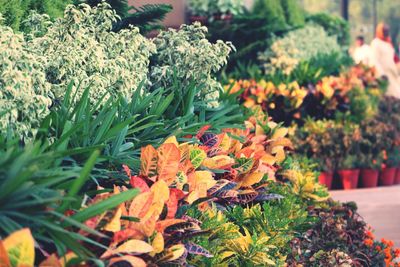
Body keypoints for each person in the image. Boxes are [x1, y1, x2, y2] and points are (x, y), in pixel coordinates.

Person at [370, 23, 400, 98]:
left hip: (392, 75)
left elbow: (393, 59)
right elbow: (374, 60)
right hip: (383, 76)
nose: (387, 33)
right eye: (385, 31)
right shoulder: (376, 43)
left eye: (387, 31)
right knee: (388, 96)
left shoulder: (388, 43)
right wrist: (381, 74)